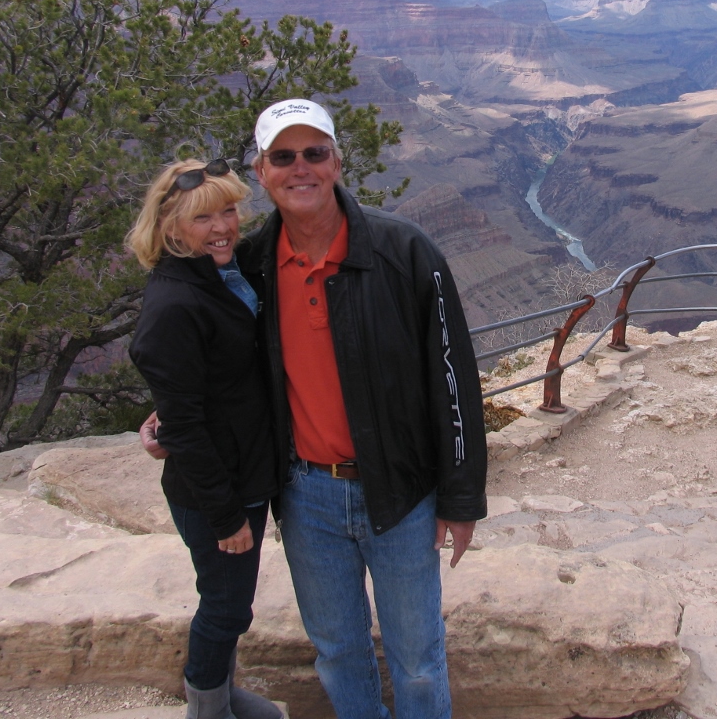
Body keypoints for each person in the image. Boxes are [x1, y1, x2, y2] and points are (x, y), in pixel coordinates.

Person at [245, 98, 487, 719]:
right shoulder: (250, 266)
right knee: (336, 651)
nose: (301, 168)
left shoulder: (405, 252)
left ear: (337, 162)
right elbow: (215, 365)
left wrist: (459, 499)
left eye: (315, 153)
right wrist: (170, 417)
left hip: (402, 492)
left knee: (418, 662)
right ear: (261, 171)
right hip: (304, 496)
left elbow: (454, 380)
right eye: (284, 156)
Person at [126, 159, 283, 719]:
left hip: (245, 466)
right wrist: (226, 518)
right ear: (170, 226)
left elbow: (205, 383)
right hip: (217, 488)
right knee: (224, 607)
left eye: (229, 210)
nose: (223, 227)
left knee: (230, 601)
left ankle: (219, 689)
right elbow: (186, 427)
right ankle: (207, 708)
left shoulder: (218, 271)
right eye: (202, 218)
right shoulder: (174, 303)